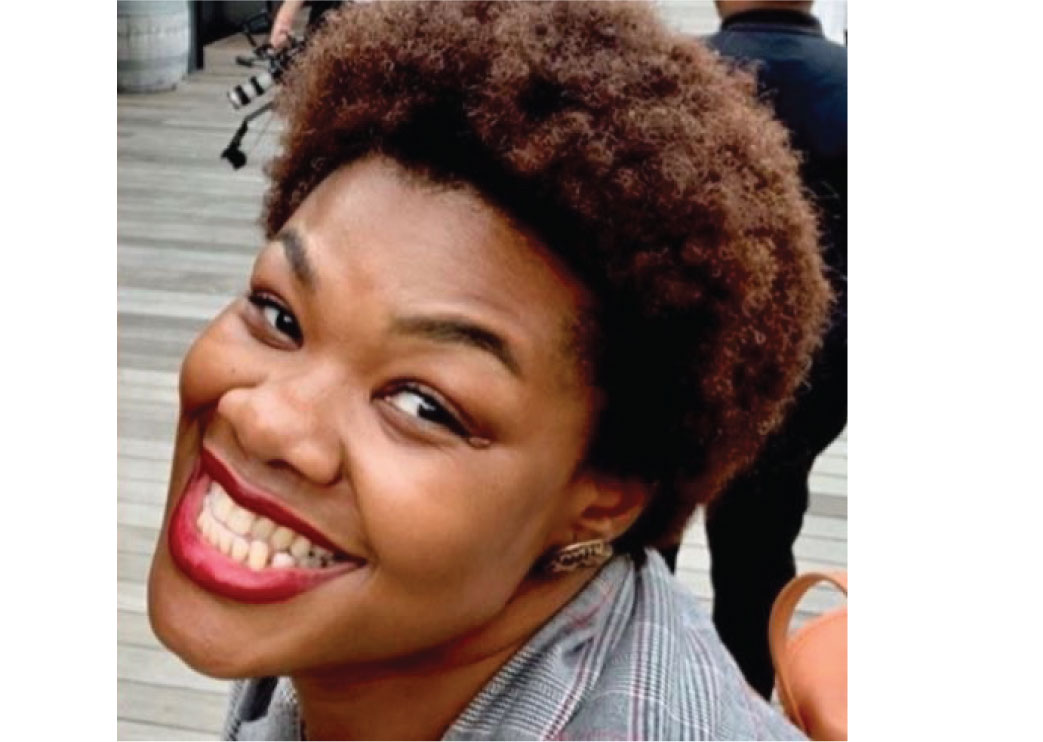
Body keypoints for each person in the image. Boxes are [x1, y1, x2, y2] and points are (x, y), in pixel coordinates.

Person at [146, 2, 831, 738]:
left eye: (423, 405)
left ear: (603, 497)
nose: (264, 417)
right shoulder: (355, 608)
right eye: (280, 316)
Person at [660, 0, 848, 701]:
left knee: (649, 540)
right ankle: (739, 705)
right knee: (759, 546)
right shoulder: (856, 82)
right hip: (813, 369)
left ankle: (648, 684)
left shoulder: (679, 81)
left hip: (680, 359)